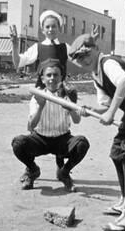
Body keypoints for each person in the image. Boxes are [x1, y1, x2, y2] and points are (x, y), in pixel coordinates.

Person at [69, 34, 125, 231]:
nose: (84, 60)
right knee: (117, 153)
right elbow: (106, 105)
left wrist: (110, 113)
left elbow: (124, 81)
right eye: (79, 58)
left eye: (86, 54)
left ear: (95, 49)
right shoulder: (95, 74)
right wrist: (86, 109)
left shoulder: (107, 63)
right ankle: (124, 200)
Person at [9, 10, 97, 169]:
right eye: (47, 27)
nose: (50, 29)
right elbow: (18, 63)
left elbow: (81, 61)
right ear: (42, 29)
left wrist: (90, 43)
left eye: (54, 26)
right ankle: (30, 168)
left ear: (59, 28)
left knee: (61, 126)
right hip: (42, 93)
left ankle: (61, 161)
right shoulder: (38, 47)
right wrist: (15, 44)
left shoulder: (65, 47)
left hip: (61, 92)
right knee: (38, 126)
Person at [11, 58, 90, 192]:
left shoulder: (67, 96)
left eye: (56, 75)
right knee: (18, 143)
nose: (52, 78)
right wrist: (41, 106)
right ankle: (32, 170)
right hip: (40, 139)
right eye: (49, 75)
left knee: (82, 143)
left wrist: (70, 108)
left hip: (62, 139)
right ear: (42, 79)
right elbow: (31, 126)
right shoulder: (38, 96)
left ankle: (64, 172)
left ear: (61, 78)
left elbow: (77, 121)